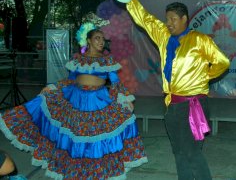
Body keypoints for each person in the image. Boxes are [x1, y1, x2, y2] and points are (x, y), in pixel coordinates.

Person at [0, 23, 147, 179]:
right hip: (76, 99)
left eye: (103, 39)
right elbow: (70, 80)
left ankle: (96, 169)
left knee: (97, 135)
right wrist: (52, 87)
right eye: (97, 38)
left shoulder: (107, 60)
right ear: (88, 41)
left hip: (98, 100)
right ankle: (77, 169)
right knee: (75, 136)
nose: (101, 42)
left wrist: (125, 99)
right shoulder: (77, 59)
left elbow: (116, 83)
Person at [126, 0, 230, 180]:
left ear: (184, 19)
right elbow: (145, 19)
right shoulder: (164, 36)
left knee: (192, 152)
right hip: (172, 105)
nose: (169, 23)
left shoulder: (199, 39)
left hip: (193, 106)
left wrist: (204, 76)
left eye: (173, 19)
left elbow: (223, 62)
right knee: (179, 152)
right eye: (167, 19)